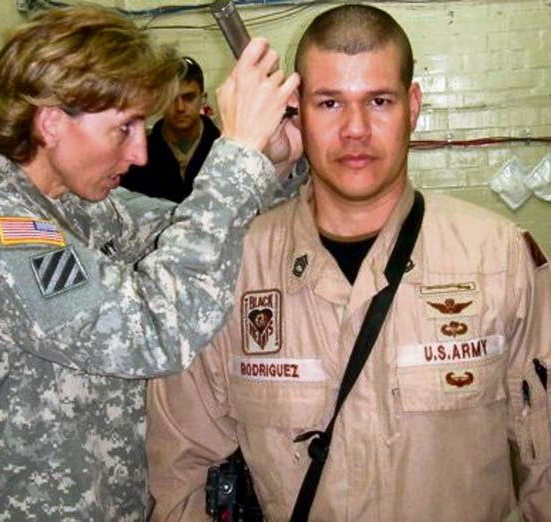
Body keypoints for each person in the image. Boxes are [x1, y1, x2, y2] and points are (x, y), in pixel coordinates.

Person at [146, 4, 551, 521]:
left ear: (413, 106)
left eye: (378, 101)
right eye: (330, 102)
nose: (355, 129)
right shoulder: (233, 272)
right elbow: (181, 472)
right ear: (296, 112)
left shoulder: (500, 259)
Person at [0, 5, 303, 521]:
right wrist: (237, 156)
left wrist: (273, 164)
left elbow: (207, 239)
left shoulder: (80, 206)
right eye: (124, 128)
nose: (140, 153)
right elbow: (156, 330)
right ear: (52, 122)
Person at [121, 56, 221, 203]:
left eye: (189, 98)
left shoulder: (222, 151)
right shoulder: (138, 158)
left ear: (202, 98)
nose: (180, 108)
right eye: (171, 98)